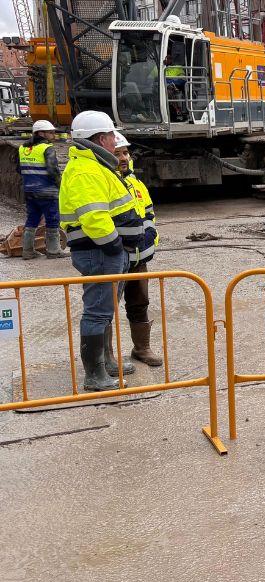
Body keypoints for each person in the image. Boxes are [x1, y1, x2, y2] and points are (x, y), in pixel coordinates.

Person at [60, 111, 147, 393]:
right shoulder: (86, 170)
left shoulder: (96, 166)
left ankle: (106, 361)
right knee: (97, 312)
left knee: (105, 311)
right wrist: (113, 246)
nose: (115, 141)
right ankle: (94, 375)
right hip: (99, 252)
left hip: (107, 253)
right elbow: (94, 217)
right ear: (100, 138)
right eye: (112, 135)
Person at [114, 133, 163, 367]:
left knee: (139, 302)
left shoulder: (136, 183)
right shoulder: (106, 181)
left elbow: (149, 213)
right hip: (115, 257)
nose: (123, 158)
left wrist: (151, 240)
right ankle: (106, 357)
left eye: (125, 153)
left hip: (139, 257)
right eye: (117, 154)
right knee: (105, 307)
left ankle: (142, 348)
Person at [18, 120, 65, 260]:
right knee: (52, 219)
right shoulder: (47, 148)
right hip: (47, 191)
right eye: (50, 132)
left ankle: (27, 251)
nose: (53, 135)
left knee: (32, 219)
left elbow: (18, 169)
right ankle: (54, 251)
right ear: (40, 133)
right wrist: (60, 185)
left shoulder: (23, 148)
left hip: (29, 191)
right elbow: (53, 171)